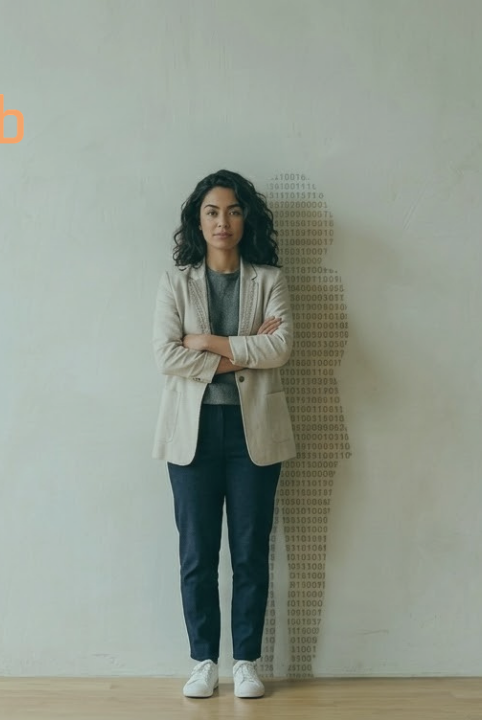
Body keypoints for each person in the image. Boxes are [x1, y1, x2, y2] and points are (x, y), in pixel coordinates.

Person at [152, 169, 296, 699]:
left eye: (233, 210)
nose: (223, 221)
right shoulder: (176, 281)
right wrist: (240, 351)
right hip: (191, 433)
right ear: (199, 219)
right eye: (212, 211)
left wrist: (207, 340)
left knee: (250, 550)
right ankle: (203, 660)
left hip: (251, 430)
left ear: (245, 218)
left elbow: (280, 348)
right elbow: (166, 354)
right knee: (196, 552)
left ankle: (247, 662)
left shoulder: (269, 279)